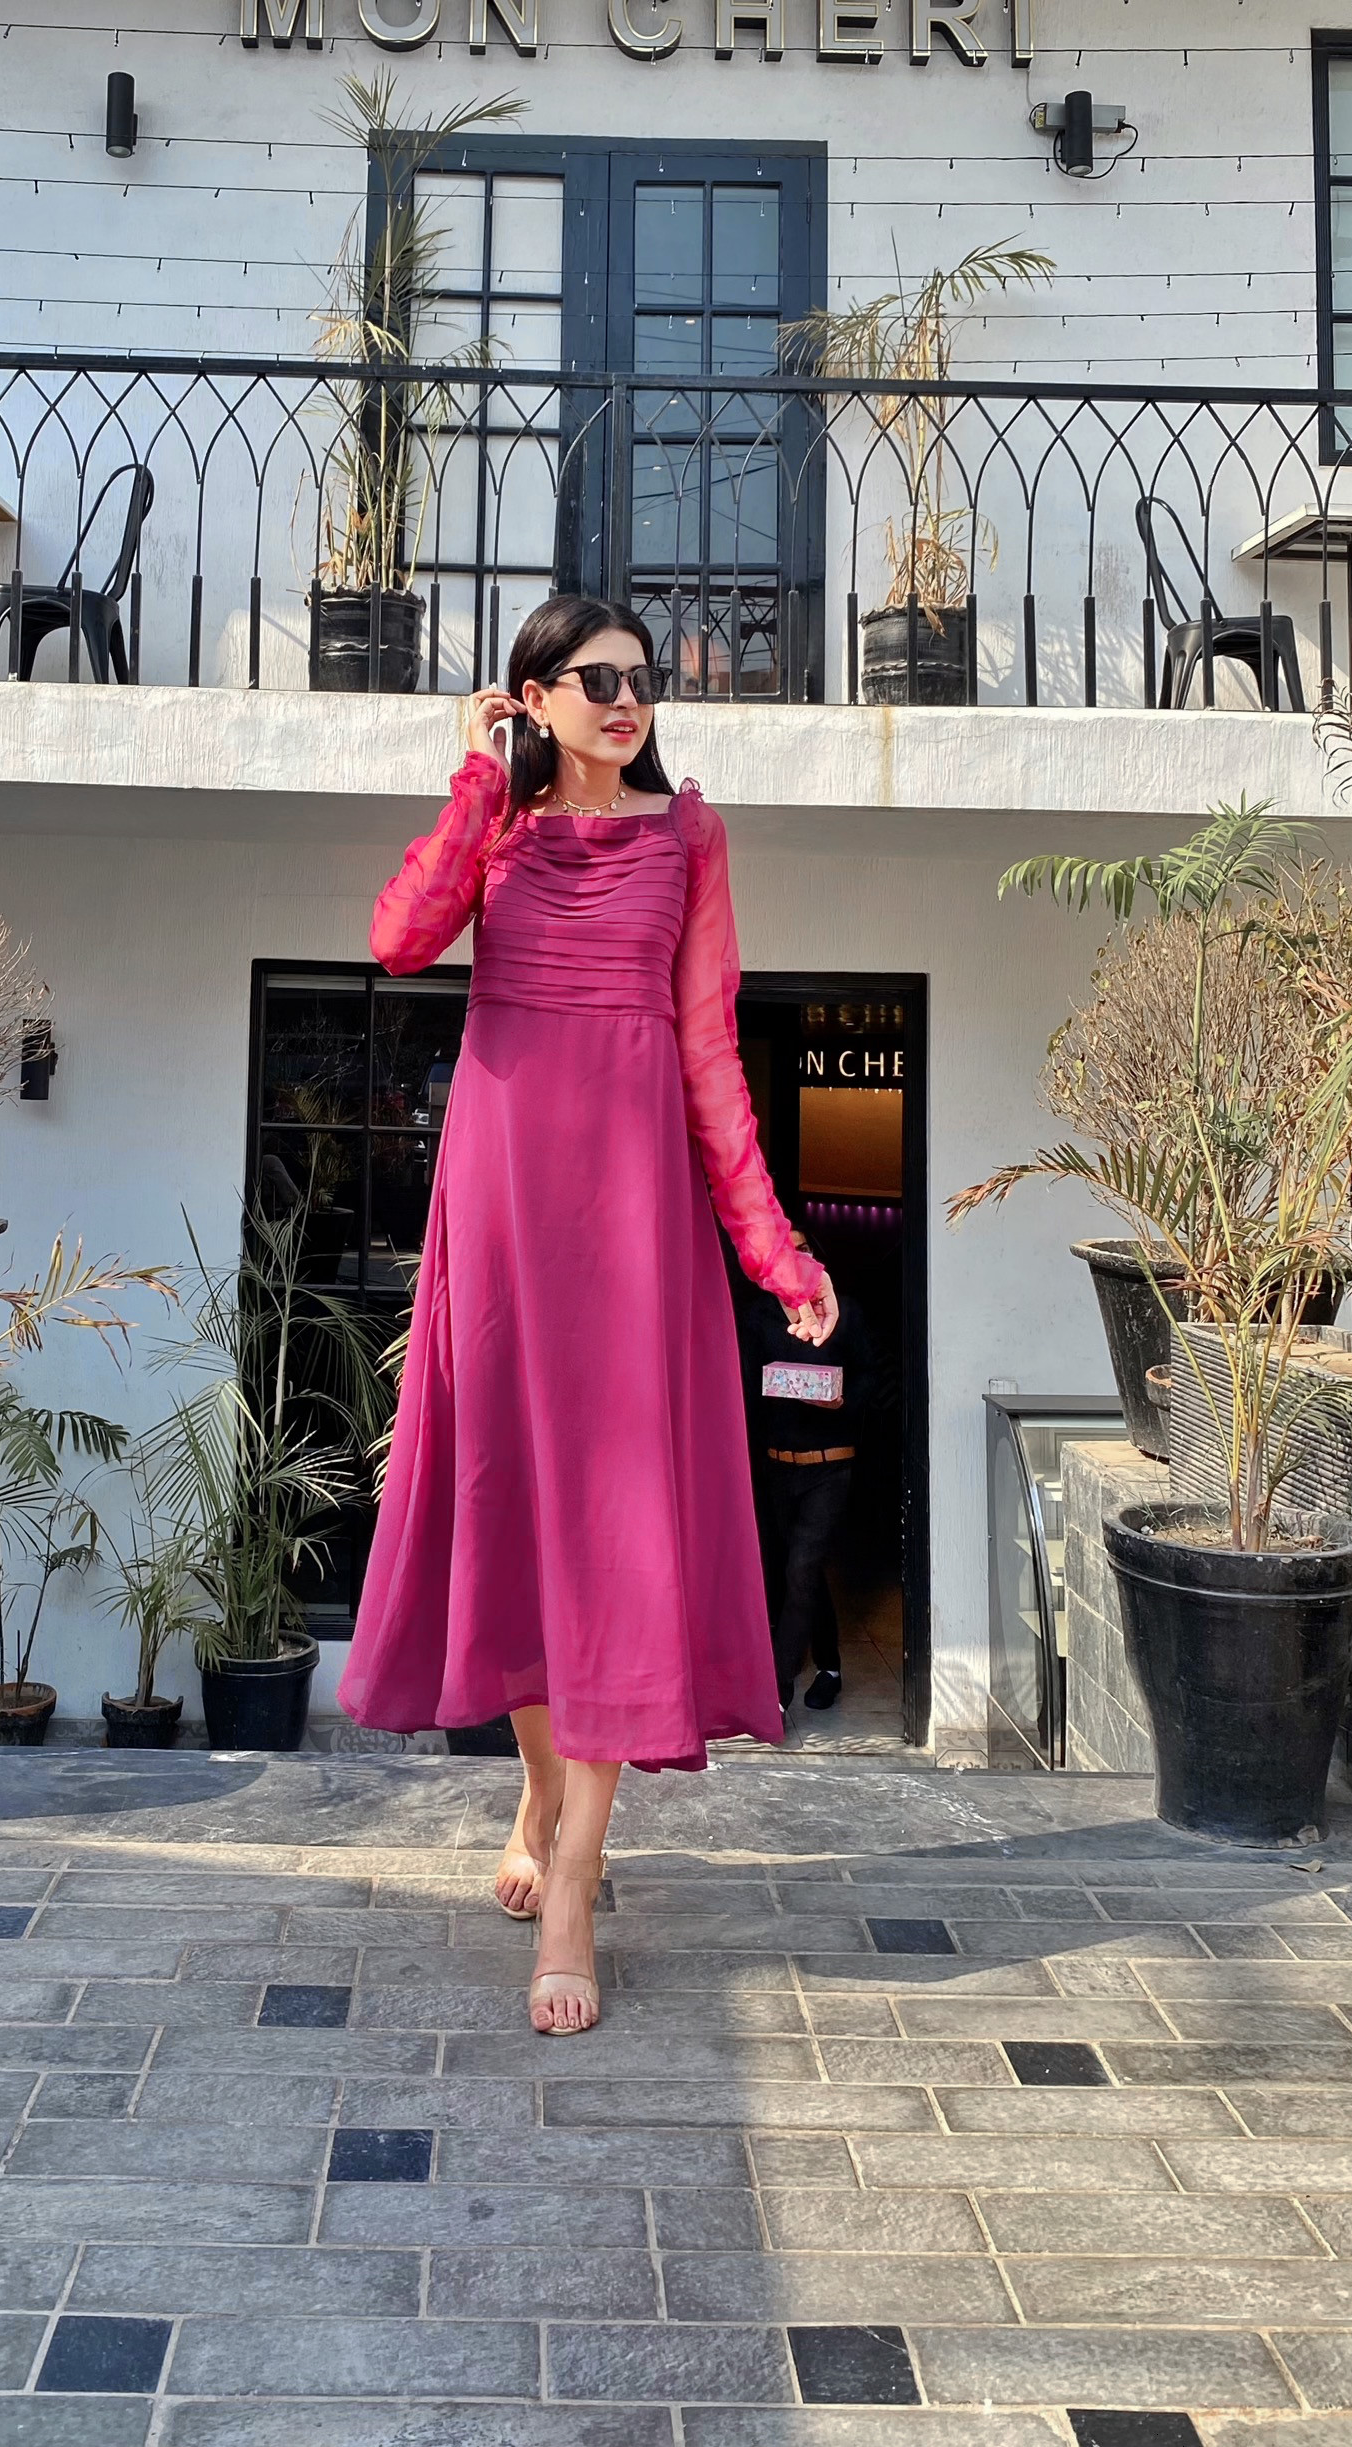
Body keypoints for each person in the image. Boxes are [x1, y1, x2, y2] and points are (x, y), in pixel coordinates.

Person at [339, 594, 837, 2035]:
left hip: (628, 1216)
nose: (628, 699)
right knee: (517, 1510)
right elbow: (400, 939)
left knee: (615, 1531)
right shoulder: (496, 823)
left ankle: (573, 1878)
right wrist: (475, 779)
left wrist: (774, 1249)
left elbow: (710, 1053)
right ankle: (541, 1791)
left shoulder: (690, 837)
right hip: (501, 1201)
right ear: (535, 697)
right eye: (596, 678)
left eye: (642, 679)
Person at [741, 1229, 884, 1712]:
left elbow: (869, 1375)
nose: (796, 1255)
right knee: (801, 1571)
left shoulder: (843, 1312)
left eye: (803, 1248)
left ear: (817, 1257)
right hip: (778, 1466)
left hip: (831, 1465)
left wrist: (842, 1402)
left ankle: (777, 1689)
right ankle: (830, 1667)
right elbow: (745, 1387)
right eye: (786, 1249)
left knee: (802, 1567)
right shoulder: (759, 1317)